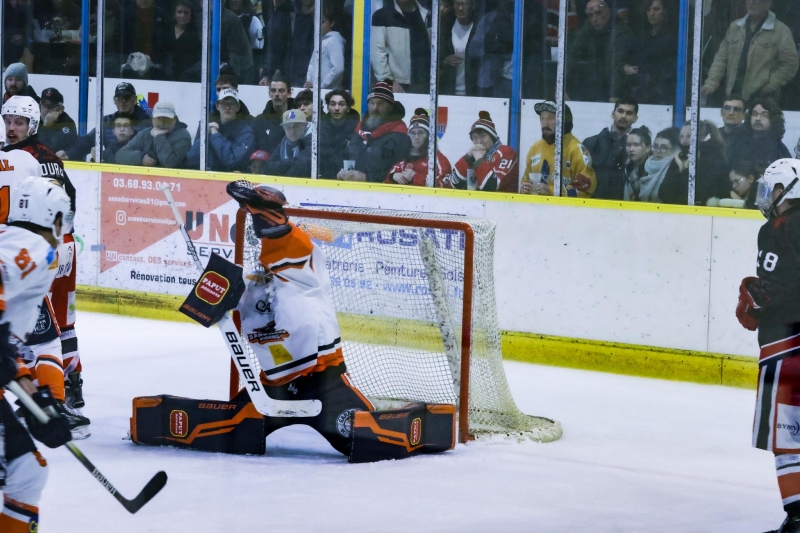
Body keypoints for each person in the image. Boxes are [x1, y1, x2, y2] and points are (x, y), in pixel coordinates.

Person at [226, 180, 374, 457]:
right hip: (274, 384)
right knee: (230, 433)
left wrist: (270, 221)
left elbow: (289, 245)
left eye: (259, 223)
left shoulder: (300, 269)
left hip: (323, 379)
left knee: (366, 439)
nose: (253, 235)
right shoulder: (258, 278)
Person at [0, 95, 90, 438]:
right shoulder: (23, 156)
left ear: (32, 125)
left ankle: (68, 391)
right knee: (45, 332)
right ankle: (53, 396)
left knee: (57, 326)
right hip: (32, 250)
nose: (11, 127)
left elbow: (63, 205)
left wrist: (58, 241)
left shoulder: (42, 158)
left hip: (46, 248)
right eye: (7, 120)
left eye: (19, 122)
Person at [0, 176, 74, 532]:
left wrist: (39, 402)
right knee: (25, 473)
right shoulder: (37, 247)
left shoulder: (13, 239)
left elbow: (8, 350)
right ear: (56, 218)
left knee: (26, 471)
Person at [738, 158, 800, 533]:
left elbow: (778, 289)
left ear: (787, 190)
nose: (768, 196)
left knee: (787, 436)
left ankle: (798, 519)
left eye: (772, 188)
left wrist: (751, 298)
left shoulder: (777, 228)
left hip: (786, 348)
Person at [701, 0, 798, 104]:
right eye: (749, 0)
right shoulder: (735, 27)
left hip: (763, 100)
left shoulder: (781, 31)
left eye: (757, 0)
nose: (752, 3)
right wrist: (711, 82)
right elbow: (721, 59)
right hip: (732, 96)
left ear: (768, 3)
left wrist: (769, 86)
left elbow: (790, 64)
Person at [58, 82, 151, 162]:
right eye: (119, 98)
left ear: (134, 100)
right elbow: (88, 140)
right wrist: (69, 154)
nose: (123, 101)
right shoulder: (107, 121)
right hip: (110, 170)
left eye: (126, 97)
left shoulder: (147, 123)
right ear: (115, 100)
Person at [337, 80, 410, 183]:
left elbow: (398, 172)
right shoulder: (358, 130)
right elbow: (347, 156)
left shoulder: (400, 136)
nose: (375, 108)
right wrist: (342, 171)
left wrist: (367, 178)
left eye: (381, 104)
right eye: (372, 103)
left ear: (390, 107)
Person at [520, 101, 597, 197]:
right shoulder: (535, 149)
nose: (545, 123)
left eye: (551, 118)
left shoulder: (577, 150)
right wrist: (525, 188)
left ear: (564, 121)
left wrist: (551, 191)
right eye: (542, 118)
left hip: (566, 210)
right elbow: (526, 181)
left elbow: (585, 189)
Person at [566, 0, 634, 102]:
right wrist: (561, 86)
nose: (594, 19)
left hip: (618, 91)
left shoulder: (622, 32)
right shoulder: (588, 27)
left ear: (609, 12)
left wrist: (614, 96)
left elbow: (618, 64)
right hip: (594, 87)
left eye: (598, 13)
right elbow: (572, 54)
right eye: (590, 15)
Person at [659, 120, 729, 205]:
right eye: (681, 136)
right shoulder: (680, 158)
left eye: (689, 136)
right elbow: (663, 194)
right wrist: (681, 168)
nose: (683, 141)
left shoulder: (713, 161)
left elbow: (697, 196)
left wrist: (685, 171)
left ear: (702, 138)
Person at [622, 0, 677, 105]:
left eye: (656, 9)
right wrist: (626, 67)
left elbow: (668, 68)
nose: (651, 13)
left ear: (665, 11)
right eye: (648, 10)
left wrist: (641, 71)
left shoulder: (673, 37)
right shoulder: (644, 35)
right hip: (640, 92)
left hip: (662, 96)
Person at [187, 88, 255, 172]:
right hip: (209, 178)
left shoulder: (246, 132)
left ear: (238, 107)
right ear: (217, 106)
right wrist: (204, 136)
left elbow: (231, 161)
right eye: (224, 103)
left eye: (232, 103)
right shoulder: (210, 127)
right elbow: (191, 157)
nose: (227, 107)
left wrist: (215, 135)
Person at [370, 0, 431, 94]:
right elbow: (377, 52)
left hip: (425, 83)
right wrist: (388, 81)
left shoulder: (428, 15)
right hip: (397, 85)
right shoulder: (382, 15)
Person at [583, 98, 639, 200]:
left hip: (626, 208)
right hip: (592, 205)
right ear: (613, 114)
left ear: (635, 118)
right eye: (620, 111)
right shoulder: (591, 143)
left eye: (629, 113)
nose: (623, 116)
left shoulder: (640, 148)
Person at [450, 110, 518, 191]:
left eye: (483, 136)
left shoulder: (507, 152)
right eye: (475, 137)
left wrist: (479, 160)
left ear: (492, 137)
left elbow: (491, 187)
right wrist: (468, 158)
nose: (479, 141)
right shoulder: (473, 155)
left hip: (503, 202)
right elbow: (455, 184)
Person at [385, 108, 452, 187]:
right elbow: (385, 184)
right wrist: (393, 177)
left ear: (428, 136)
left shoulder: (438, 159)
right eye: (413, 133)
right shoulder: (405, 158)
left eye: (421, 133)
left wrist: (415, 176)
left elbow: (445, 185)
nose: (416, 137)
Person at [115, 101, 191, 168]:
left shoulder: (183, 136)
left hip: (173, 182)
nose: (161, 123)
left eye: (166, 119)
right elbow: (120, 155)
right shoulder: (145, 133)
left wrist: (159, 137)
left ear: (175, 119)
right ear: (152, 119)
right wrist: (141, 158)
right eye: (158, 119)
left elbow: (169, 162)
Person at [730, 98, 792, 171]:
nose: (758, 118)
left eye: (764, 114)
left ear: (774, 119)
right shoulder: (738, 142)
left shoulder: (779, 149)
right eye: (754, 114)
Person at [438, 0, 478, 96]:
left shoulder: (479, 27)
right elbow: (434, 58)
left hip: (473, 92)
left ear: (472, 6)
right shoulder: (445, 27)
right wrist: (445, 61)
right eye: (457, 4)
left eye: (464, 4)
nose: (460, 8)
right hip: (448, 91)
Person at [319, 90, 360, 179]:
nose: (336, 108)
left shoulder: (357, 130)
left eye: (341, 104)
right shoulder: (318, 128)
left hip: (347, 178)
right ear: (328, 107)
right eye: (333, 104)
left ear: (348, 108)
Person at [632, 126, 679, 203]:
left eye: (664, 148)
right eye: (655, 147)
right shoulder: (645, 167)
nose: (658, 151)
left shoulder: (676, 171)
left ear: (675, 150)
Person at [304, 3, 345, 90]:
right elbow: (312, 64)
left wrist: (321, 87)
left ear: (332, 23)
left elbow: (338, 69)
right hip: (318, 91)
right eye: (316, 21)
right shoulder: (320, 41)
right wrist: (309, 81)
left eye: (322, 22)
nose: (318, 25)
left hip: (330, 92)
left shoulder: (334, 40)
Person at [260, 109, 311, 178]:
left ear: (305, 125)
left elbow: (301, 165)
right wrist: (293, 161)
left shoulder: (314, 141)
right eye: (288, 127)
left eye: (296, 126)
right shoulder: (284, 142)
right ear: (283, 128)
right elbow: (268, 167)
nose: (292, 131)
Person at [253, 73, 294, 156]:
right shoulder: (259, 121)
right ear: (269, 93)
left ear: (289, 93)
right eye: (273, 90)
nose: (276, 94)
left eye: (281, 91)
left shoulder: (298, 120)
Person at [165, 0, 202, 82]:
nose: (182, 15)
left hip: (188, 77)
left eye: (186, 12)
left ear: (191, 15)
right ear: (174, 14)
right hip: (167, 76)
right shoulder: (167, 30)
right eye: (179, 12)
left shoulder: (196, 34)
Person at [36, 88, 77, 155]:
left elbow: (49, 150)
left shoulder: (68, 123)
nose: (46, 110)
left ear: (60, 109)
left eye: (50, 106)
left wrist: (47, 126)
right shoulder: (35, 119)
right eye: (43, 105)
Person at [622, 126, 652, 201]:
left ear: (648, 148)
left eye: (636, 145)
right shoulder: (626, 168)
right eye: (628, 145)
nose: (631, 149)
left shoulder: (653, 170)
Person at [718, 94, 747, 161]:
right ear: (721, 113)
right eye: (727, 108)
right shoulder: (714, 134)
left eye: (736, 109)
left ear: (744, 115)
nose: (731, 113)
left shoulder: (750, 136)